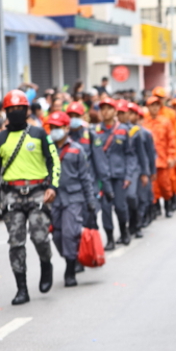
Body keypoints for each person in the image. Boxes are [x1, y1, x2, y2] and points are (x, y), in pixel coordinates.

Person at [0, 90, 60, 305]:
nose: (16, 112)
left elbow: (54, 160)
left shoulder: (39, 133)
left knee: (40, 237)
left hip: (38, 192)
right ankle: (22, 289)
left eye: (20, 108)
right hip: (11, 195)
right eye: (12, 109)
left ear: (27, 110)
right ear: (6, 111)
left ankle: (46, 265)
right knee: (16, 243)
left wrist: (53, 186)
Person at [46, 111, 97, 287]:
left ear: (66, 128)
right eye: (52, 127)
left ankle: (70, 270)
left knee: (69, 233)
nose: (54, 130)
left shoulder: (77, 149)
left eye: (58, 127)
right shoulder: (47, 149)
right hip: (55, 199)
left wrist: (91, 201)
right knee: (57, 235)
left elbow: (85, 178)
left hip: (74, 197)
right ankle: (71, 258)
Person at [93, 97, 138, 249]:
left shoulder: (123, 130)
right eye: (103, 109)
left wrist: (128, 176)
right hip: (103, 177)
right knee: (105, 208)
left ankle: (124, 231)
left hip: (119, 175)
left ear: (114, 111)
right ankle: (110, 238)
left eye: (109, 109)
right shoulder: (95, 131)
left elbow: (130, 154)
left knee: (120, 206)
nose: (105, 112)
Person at [117, 100, 150, 238]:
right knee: (120, 201)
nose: (121, 116)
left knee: (132, 196)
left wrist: (145, 172)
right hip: (118, 169)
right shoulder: (114, 130)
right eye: (119, 113)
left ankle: (136, 223)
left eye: (124, 113)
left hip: (134, 168)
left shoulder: (135, 131)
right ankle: (125, 229)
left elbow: (142, 153)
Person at [143, 96, 176, 219]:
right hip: (149, 161)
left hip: (163, 159)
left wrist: (171, 156)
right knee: (153, 187)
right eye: (152, 105)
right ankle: (155, 208)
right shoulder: (144, 123)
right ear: (148, 107)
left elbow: (171, 140)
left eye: (156, 105)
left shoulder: (165, 122)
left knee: (165, 185)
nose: (154, 108)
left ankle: (168, 206)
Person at [130, 103, 157, 227]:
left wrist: (152, 171)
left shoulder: (145, 133)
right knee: (134, 197)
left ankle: (142, 218)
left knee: (144, 196)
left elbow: (150, 154)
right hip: (131, 169)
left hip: (143, 168)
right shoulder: (127, 132)